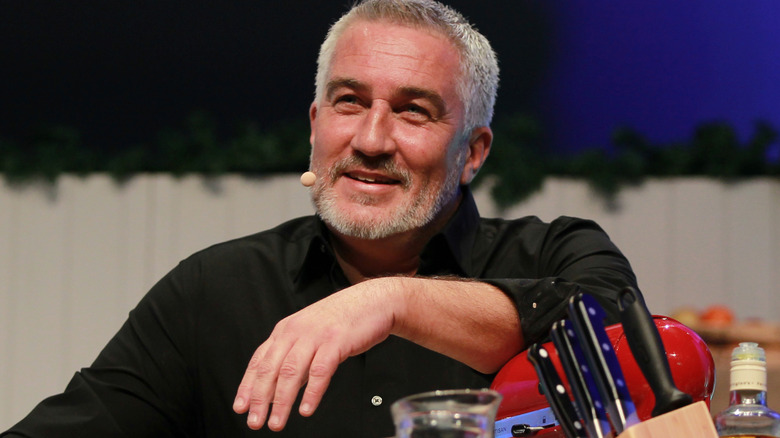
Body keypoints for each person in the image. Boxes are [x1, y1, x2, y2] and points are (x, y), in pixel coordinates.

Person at [2, 0, 639, 437]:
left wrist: (391, 302)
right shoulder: (214, 292)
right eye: (349, 102)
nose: (370, 138)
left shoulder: (558, 253)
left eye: (413, 111)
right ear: (315, 127)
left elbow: (622, 345)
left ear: (472, 152)